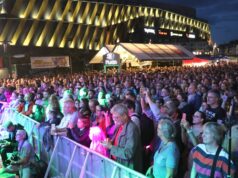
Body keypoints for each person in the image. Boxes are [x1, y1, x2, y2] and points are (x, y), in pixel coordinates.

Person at [101, 103, 142, 172]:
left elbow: (128, 153)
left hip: (126, 168)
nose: (114, 120)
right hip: (118, 163)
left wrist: (111, 147)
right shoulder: (119, 125)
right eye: (113, 117)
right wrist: (110, 142)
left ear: (125, 116)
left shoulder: (132, 129)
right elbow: (117, 142)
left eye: (116, 117)